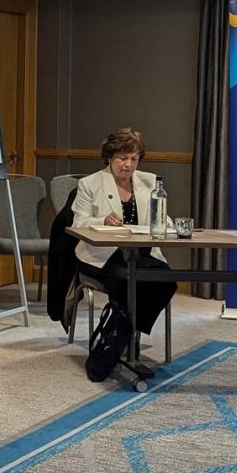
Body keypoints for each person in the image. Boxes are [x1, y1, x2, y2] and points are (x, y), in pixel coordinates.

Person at [69, 128, 175, 350]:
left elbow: (163, 219)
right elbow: (79, 224)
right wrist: (102, 221)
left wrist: (171, 226)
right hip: (101, 254)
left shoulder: (149, 182)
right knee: (127, 279)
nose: (128, 165)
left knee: (166, 280)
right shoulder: (90, 184)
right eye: (122, 158)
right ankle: (123, 339)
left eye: (134, 159)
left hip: (140, 253)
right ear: (109, 157)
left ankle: (122, 332)